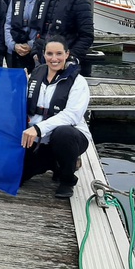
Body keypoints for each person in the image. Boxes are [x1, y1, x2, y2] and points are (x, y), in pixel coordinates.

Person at [20, 36, 91, 199]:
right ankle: (52, 163)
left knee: (63, 134)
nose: (54, 58)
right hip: (38, 141)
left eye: (59, 53)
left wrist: (38, 129)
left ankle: (67, 179)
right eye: (50, 54)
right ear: (44, 55)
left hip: (67, 136)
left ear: (67, 54)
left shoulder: (78, 82)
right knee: (16, 176)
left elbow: (71, 116)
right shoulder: (35, 76)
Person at [31, 0, 95, 72]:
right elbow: (38, 28)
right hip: (42, 61)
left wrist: (71, 58)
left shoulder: (81, 2)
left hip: (66, 64)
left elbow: (87, 36)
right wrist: (35, 51)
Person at [5, 0, 47, 72]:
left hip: (37, 52)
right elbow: (8, 24)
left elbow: (49, 28)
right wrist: (13, 45)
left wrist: (31, 45)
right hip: (16, 51)